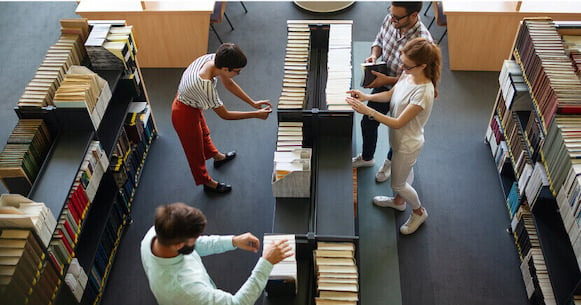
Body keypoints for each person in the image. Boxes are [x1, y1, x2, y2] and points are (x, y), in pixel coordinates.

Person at [346, 37, 442, 235]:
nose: (402, 68)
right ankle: (399, 202)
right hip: (399, 140)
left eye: (407, 66)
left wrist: (368, 111)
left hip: (407, 144)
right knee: (404, 173)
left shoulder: (423, 93)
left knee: (398, 183)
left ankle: (419, 211)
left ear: (422, 66)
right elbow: (391, 95)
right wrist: (367, 97)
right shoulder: (408, 76)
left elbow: (398, 122)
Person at [140, 202, 293, 305]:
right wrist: (266, 262)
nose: (198, 240)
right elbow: (237, 303)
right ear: (179, 245)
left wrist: (233, 241)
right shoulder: (188, 290)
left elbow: (197, 245)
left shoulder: (155, 235)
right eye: (194, 238)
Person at [172, 43, 272, 194]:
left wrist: (252, 103)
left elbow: (229, 83)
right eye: (237, 72)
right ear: (226, 69)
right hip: (183, 112)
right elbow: (225, 115)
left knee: (204, 133)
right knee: (195, 151)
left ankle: (217, 157)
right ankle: (206, 182)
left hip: (192, 102)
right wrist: (256, 115)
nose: (238, 74)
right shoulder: (204, 85)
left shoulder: (213, 59)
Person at [353, 2, 432, 184]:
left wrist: (386, 80)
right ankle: (367, 157)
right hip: (384, 82)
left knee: (398, 135)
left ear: (413, 16)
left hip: (406, 93)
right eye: (391, 14)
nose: (392, 20)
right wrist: (374, 55)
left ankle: (389, 162)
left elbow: (416, 81)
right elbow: (379, 40)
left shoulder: (422, 43)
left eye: (397, 17)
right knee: (368, 123)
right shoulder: (392, 18)